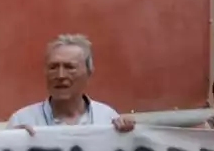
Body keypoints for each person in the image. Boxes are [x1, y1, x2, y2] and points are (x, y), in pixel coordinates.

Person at [7, 33, 136, 132]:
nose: (60, 75)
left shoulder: (107, 118)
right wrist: (15, 142)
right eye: (53, 67)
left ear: (88, 72)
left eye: (70, 67)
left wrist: (128, 136)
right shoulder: (22, 120)